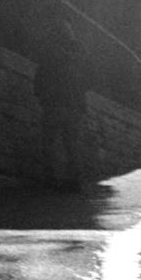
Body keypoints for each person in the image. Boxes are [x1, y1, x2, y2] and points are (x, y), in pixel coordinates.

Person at [33, 21, 87, 189]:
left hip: (54, 103)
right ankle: (75, 180)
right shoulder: (79, 54)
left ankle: (51, 178)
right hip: (74, 104)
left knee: (49, 142)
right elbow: (89, 78)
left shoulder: (50, 52)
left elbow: (40, 76)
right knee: (72, 143)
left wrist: (42, 96)